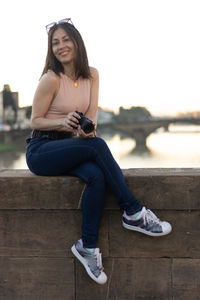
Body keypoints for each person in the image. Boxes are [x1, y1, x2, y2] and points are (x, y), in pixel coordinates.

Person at [26, 18, 172, 285]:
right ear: (52, 50)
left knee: (97, 175)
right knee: (98, 148)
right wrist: (62, 121)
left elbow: (90, 119)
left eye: (66, 40)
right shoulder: (50, 79)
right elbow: (34, 121)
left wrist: (86, 130)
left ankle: (88, 247)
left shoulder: (92, 75)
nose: (61, 46)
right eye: (55, 43)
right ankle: (133, 211)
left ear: (76, 42)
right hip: (43, 150)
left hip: (72, 146)